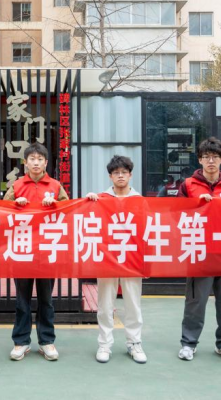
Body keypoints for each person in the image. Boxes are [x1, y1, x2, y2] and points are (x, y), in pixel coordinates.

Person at [177, 137, 221, 364]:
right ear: (200, 160)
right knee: (195, 302)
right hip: (199, 252)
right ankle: (188, 343)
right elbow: (176, 214)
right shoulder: (188, 185)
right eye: (206, 157)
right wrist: (196, 205)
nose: (211, 161)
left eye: (215, 157)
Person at [4, 142, 69, 361]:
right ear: (25, 162)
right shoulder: (16, 185)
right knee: (22, 300)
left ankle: (47, 341)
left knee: (46, 300)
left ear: (46, 163)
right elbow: (1, 210)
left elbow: (69, 210)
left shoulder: (55, 185)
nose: (36, 163)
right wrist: (15, 203)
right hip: (22, 249)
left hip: (47, 250)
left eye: (40, 159)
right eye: (32, 159)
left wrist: (55, 204)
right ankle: (21, 342)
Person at [86, 155, 147, 364]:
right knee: (105, 305)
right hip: (108, 258)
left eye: (124, 172)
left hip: (132, 258)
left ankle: (134, 343)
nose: (120, 176)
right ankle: (104, 344)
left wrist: (146, 263)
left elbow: (147, 232)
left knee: (133, 304)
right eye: (116, 173)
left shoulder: (140, 201)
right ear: (110, 176)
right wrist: (89, 202)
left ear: (130, 175)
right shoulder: (100, 199)